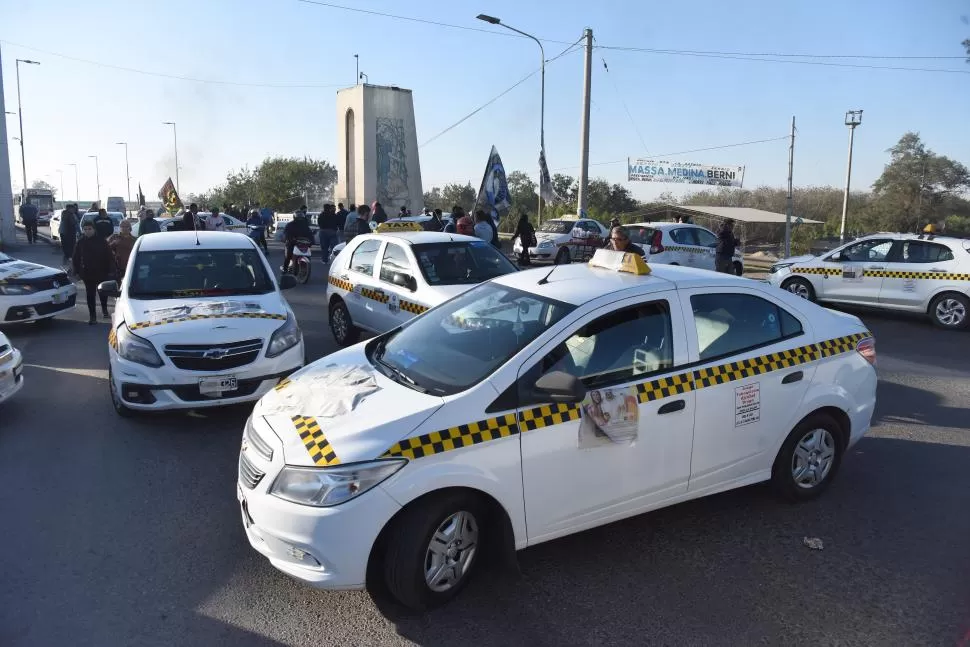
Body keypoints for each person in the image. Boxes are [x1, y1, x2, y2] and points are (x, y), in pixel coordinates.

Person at [73, 222, 113, 324]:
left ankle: (104, 310)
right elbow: (76, 258)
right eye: (85, 229)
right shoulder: (81, 242)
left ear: (94, 229)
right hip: (87, 273)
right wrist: (76, 271)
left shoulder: (101, 241)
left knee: (103, 293)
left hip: (101, 271)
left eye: (89, 229)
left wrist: (110, 270)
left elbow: (109, 256)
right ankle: (92, 316)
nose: (87, 231)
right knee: (90, 295)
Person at [283, 209, 313, 273]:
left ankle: (305, 268)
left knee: (309, 255)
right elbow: (287, 234)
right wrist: (291, 239)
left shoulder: (305, 226)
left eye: (301, 216)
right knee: (288, 256)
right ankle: (285, 269)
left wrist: (311, 241)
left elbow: (310, 234)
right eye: (298, 216)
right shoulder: (290, 225)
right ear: (295, 217)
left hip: (303, 243)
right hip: (292, 243)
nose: (299, 218)